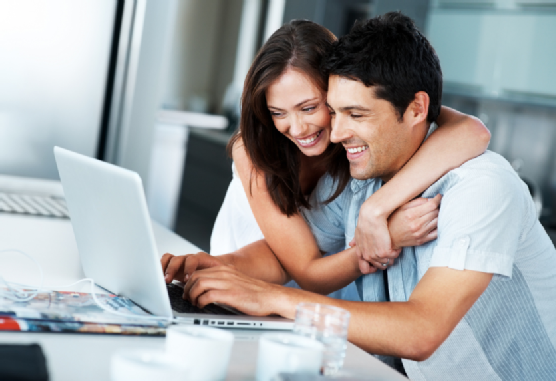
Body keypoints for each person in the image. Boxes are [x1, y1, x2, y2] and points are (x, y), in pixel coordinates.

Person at [178, 12, 556, 380]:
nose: (338, 133)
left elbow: (421, 329)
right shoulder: (362, 179)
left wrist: (271, 299)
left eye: (356, 115)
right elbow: (289, 257)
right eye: (335, 112)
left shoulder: (481, 188)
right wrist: (206, 269)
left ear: (416, 109)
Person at [162, 20, 490, 297]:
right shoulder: (256, 151)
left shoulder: (360, 146)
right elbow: (296, 265)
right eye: (278, 113)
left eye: (309, 108)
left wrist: (375, 211)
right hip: (250, 269)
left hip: (322, 288)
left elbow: (472, 131)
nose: (297, 127)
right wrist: (209, 266)